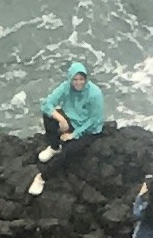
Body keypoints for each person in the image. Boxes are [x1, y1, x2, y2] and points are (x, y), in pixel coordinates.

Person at [28, 57, 105, 194]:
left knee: (69, 151)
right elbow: (46, 104)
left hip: (89, 130)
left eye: (81, 79)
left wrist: (74, 135)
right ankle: (54, 147)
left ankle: (41, 178)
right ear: (70, 79)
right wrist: (61, 119)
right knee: (49, 116)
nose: (78, 82)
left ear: (86, 79)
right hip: (72, 119)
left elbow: (94, 120)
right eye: (75, 79)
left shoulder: (95, 93)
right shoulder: (66, 87)